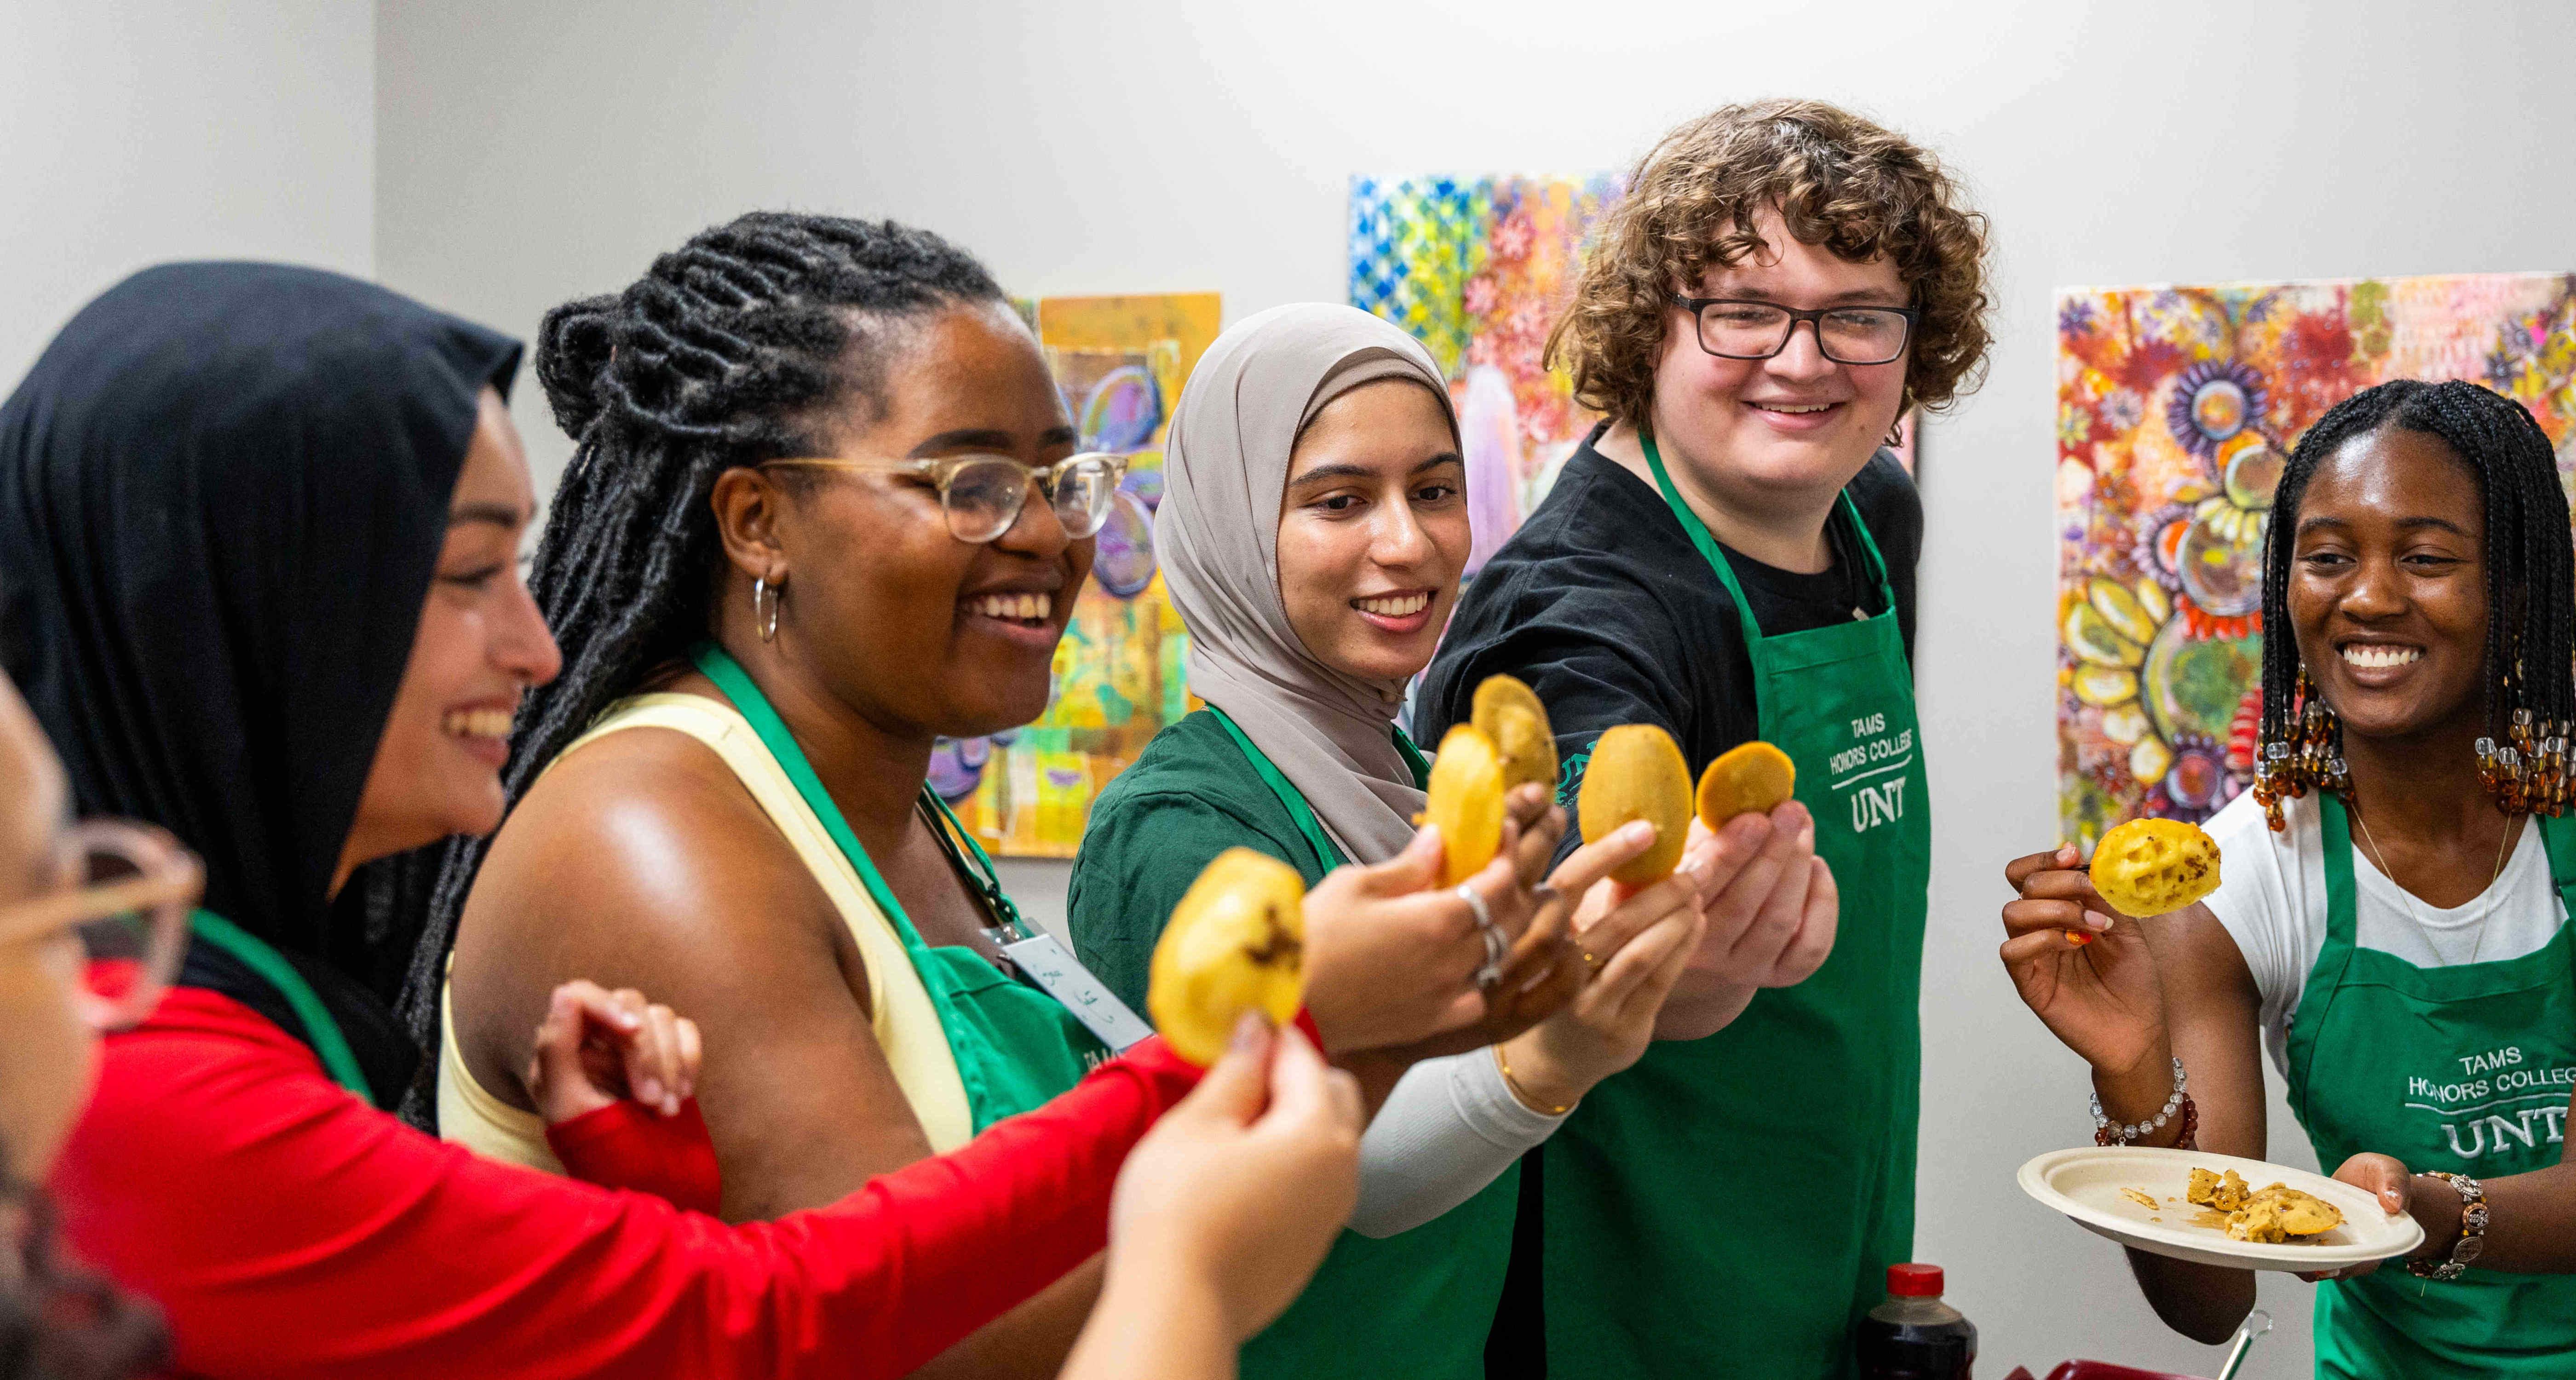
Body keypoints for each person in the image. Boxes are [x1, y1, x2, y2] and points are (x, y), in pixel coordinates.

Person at [0, 260, 1360, 1379]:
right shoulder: (154, 1072)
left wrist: (630, 1185)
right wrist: (1256, 1062)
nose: (537, 651)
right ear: (249, 625)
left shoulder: (230, 1013)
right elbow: (786, 1318)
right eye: (473, 574)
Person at [414, 214, 1569, 1377]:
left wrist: (1389, 1033)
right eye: (968, 485)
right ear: (757, 522)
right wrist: (1319, 1026)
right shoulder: (650, 836)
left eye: (1059, 482)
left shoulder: (901, 813)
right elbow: (928, 1335)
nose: (1044, 537)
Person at [1415, 98, 1994, 1378]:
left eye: (1859, 316)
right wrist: (1689, 948)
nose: (1804, 361)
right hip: (1632, 1278)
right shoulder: (1583, 613)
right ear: (1650, 326)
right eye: (1743, 310)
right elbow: (1581, 933)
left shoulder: (1868, 511)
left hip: (1829, 1211)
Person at [1070, 302, 1755, 1378]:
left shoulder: (1441, 789)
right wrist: (1551, 1049)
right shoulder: (1178, 828)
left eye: (1435, 492)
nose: (1409, 542)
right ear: (1233, 527)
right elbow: (1331, 1185)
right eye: (1340, 501)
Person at [2001, 379, 2576, 1376]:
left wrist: (2423, 1214)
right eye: (2326, 558)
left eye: (2427, 558)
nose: (2368, 597)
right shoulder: (2235, 888)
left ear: (2516, 587)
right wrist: (2132, 1069)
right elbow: (2210, 1299)